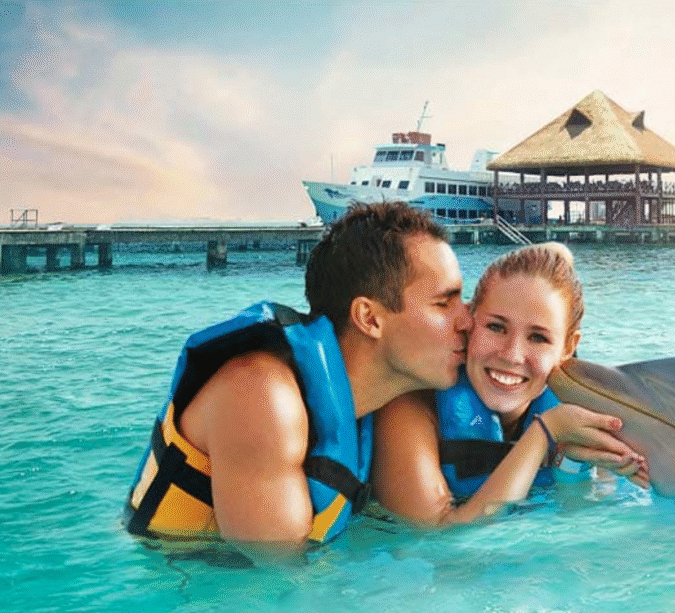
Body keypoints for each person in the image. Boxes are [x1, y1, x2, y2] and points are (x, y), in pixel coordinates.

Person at [124, 202, 472, 560]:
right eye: (444, 304)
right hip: (177, 586)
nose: (467, 320)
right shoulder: (262, 397)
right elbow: (279, 586)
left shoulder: (374, 402)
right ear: (369, 318)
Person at [372, 242, 648, 527]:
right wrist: (544, 433)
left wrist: (572, 464)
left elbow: (582, 515)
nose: (511, 355)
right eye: (496, 327)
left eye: (538, 338)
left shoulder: (576, 409)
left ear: (568, 346)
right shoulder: (413, 404)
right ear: (469, 319)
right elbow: (437, 534)